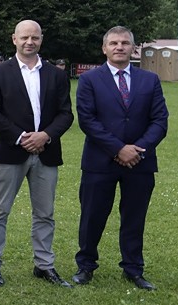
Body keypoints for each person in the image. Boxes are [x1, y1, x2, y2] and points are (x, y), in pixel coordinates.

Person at [72, 26, 168, 291]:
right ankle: (86, 265)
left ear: (133, 48)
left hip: (140, 162)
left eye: (125, 43)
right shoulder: (90, 80)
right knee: (92, 216)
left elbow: (160, 120)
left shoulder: (150, 80)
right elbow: (88, 121)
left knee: (134, 217)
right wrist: (118, 149)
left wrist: (137, 149)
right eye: (113, 43)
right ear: (104, 48)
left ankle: (133, 268)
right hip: (99, 162)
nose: (119, 47)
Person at [0, 20, 75, 288]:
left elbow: (66, 113)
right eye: (24, 37)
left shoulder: (56, 75)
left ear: (41, 39)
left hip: (46, 152)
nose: (29, 42)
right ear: (14, 39)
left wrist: (45, 136)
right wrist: (22, 137)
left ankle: (44, 265)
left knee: (45, 213)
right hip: (10, 152)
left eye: (34, 37)